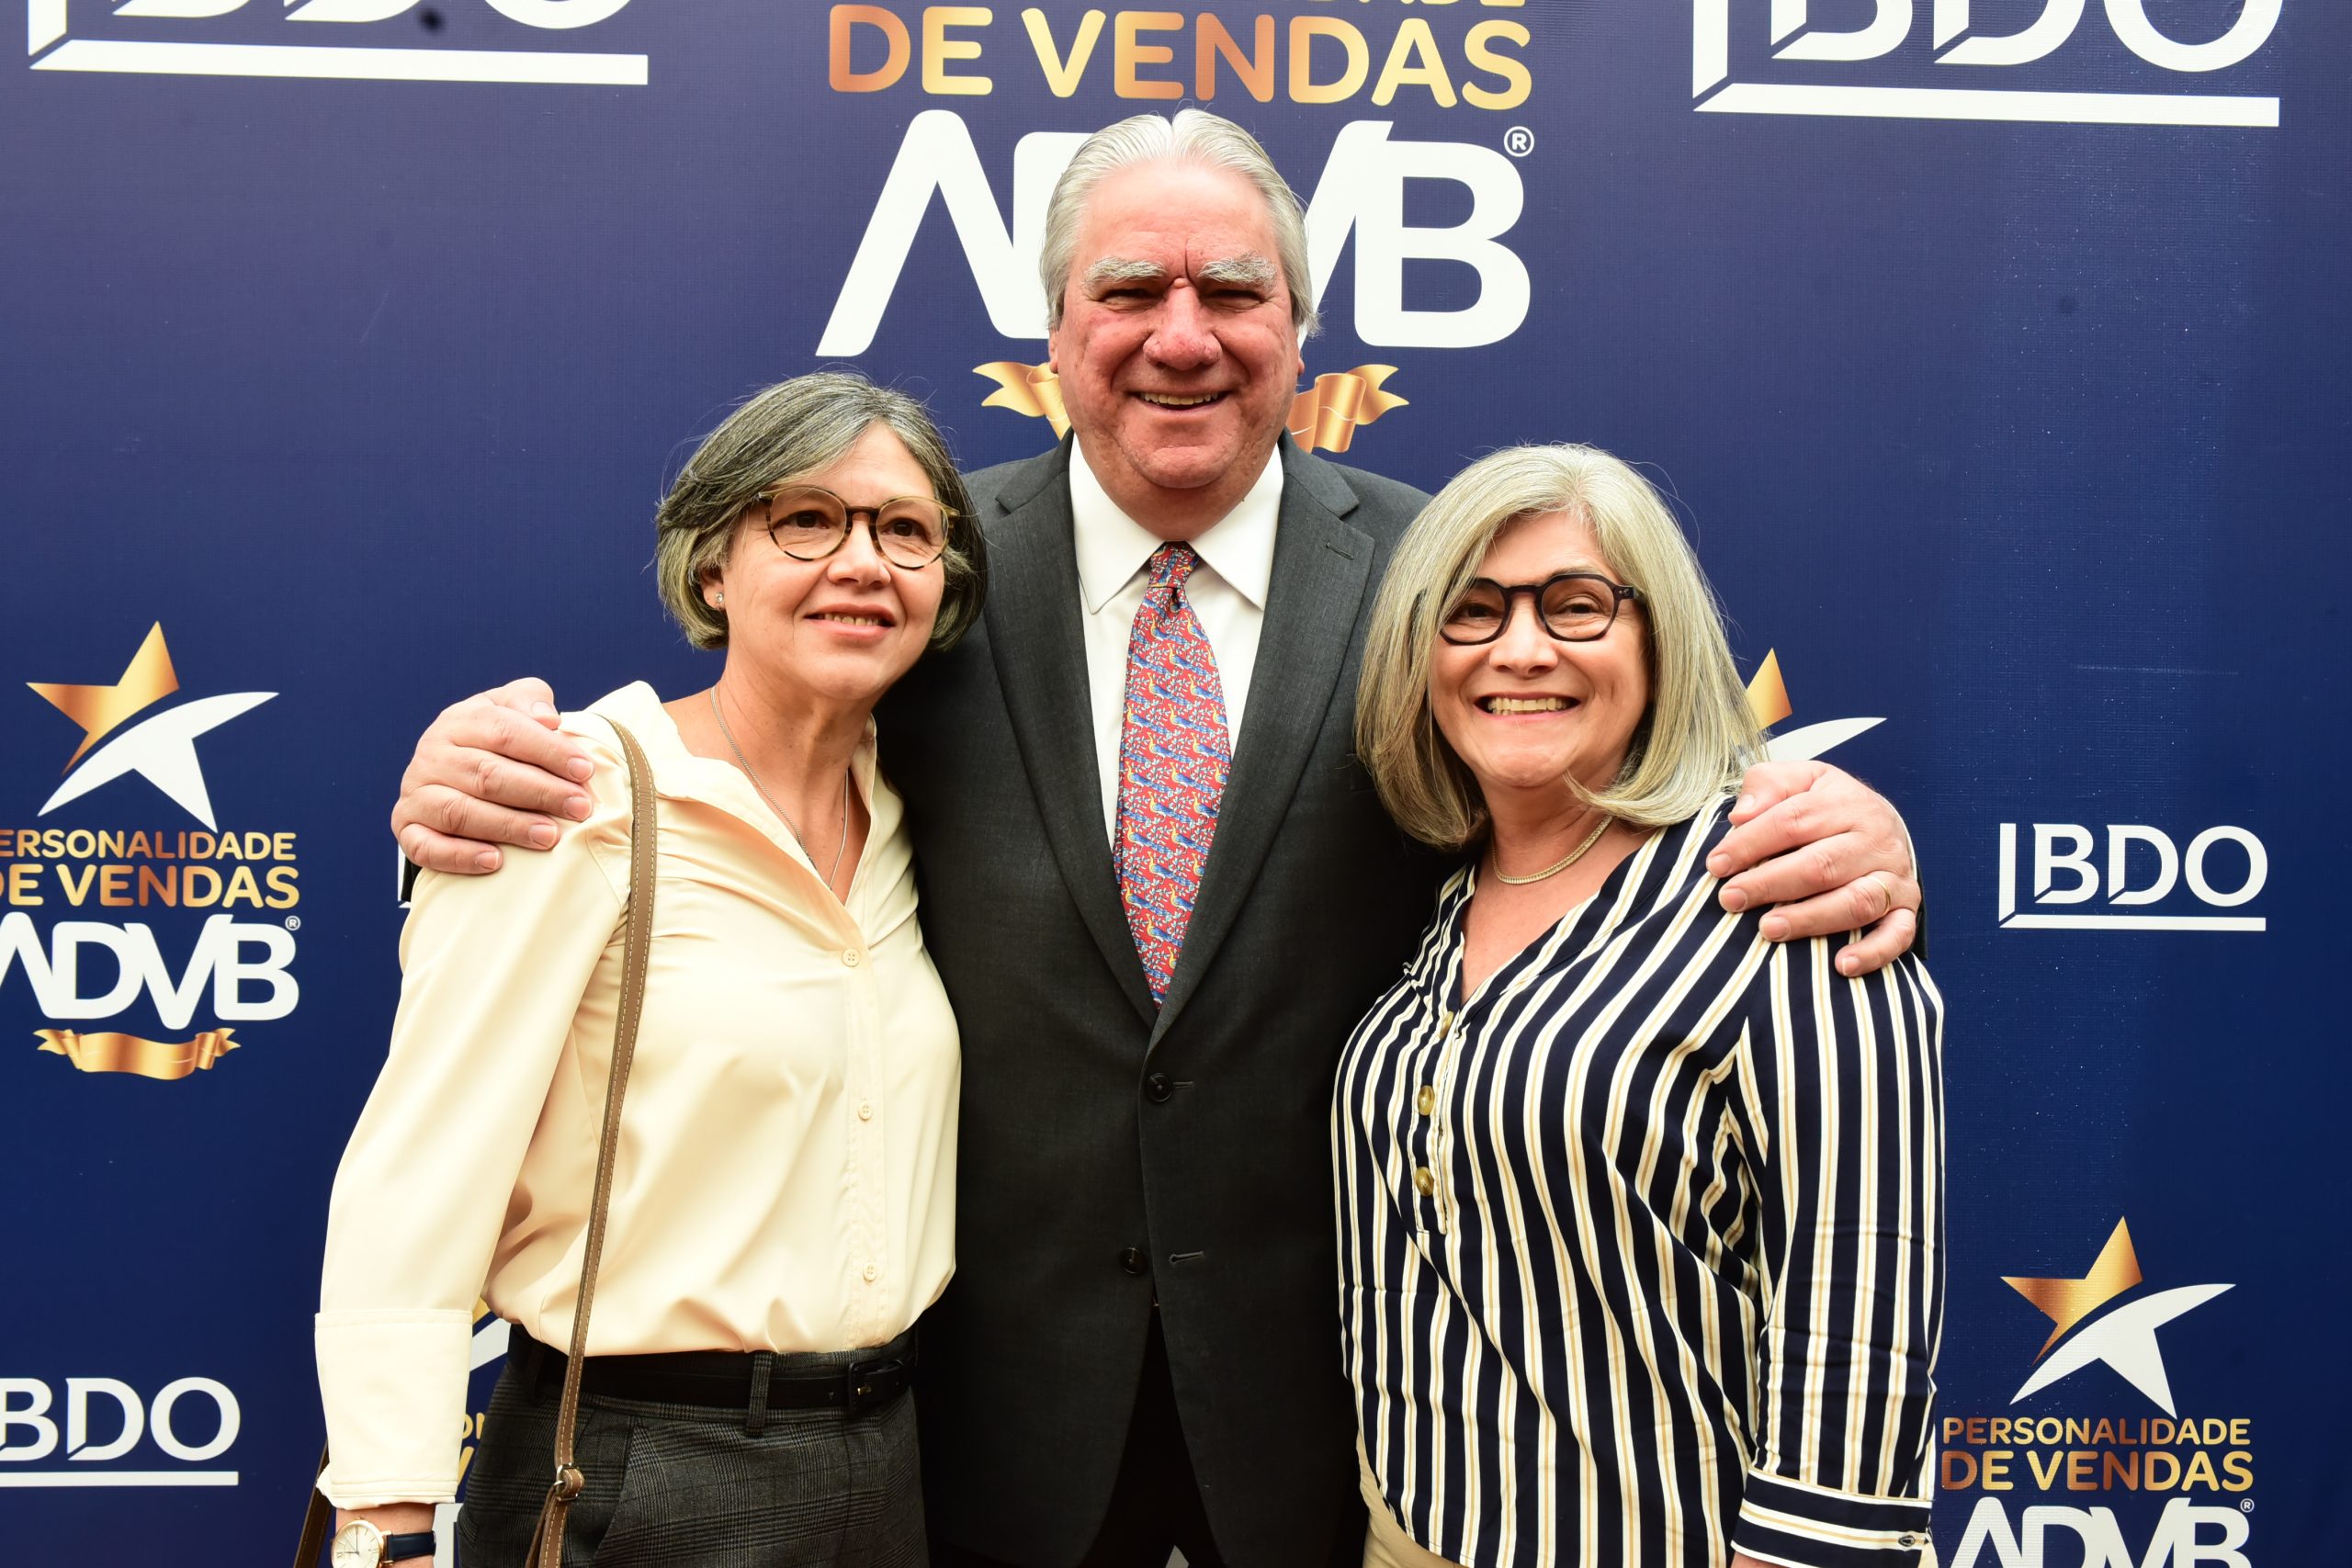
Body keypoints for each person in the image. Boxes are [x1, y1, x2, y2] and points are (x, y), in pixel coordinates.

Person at [387, 113, 1924, 1568]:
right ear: (1056, 331)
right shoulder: (921, 573)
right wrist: (477, 798)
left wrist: (1842, 826)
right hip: (978, 1441)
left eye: (1232, 292)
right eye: (1129, 290)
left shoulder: (1438, 577)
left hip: (1344, 1436)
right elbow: (724, 772)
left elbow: (1612, 783)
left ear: (1300, 331)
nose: (1181, 336)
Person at [316, 372, 983, 1567]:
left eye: (904, 529)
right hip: (634, 1473)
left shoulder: (916, 810)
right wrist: (388, 1520)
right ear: (712, 566)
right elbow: (419, 1176)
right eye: (806, 520)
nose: (861, 562)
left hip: (886, 1464)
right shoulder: (572, 795)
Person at [1338, 445, 1941, 1568]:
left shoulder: (1785, 895)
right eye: (1471, 611)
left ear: (1657, 641)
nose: (1522, 649)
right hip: (1404, 1537)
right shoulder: (1439, 896)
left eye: (1575, 605)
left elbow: (1860, 1300)